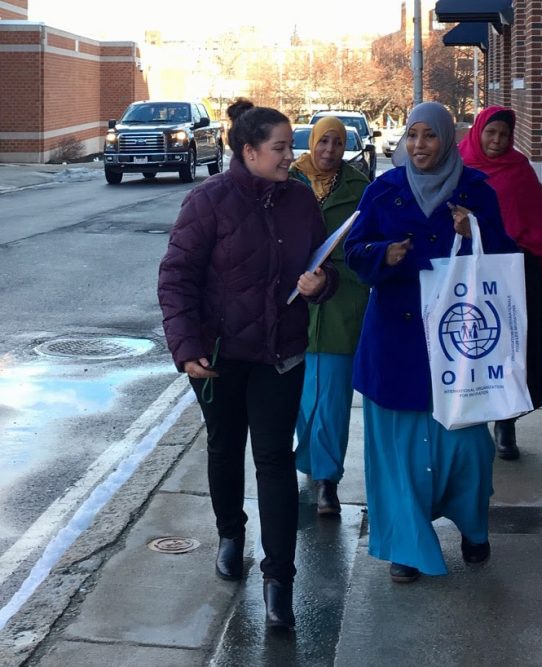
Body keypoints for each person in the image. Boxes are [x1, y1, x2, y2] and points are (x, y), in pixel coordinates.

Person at [158, 99, 338, 631]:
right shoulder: (207, 201)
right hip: (218, 357)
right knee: (224, 446)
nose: (291, 157)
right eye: (280, 148)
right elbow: (176, 277)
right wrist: (185, 345)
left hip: (280, 356)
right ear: (249, 151)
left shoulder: (301, 202)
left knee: (275, 461)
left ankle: (279, 578)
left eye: (290, 147)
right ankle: (230, 534)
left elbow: (326, 269)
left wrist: (320, 285)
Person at [344, 101, 518, 584]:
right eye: (412, 136)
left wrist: (475, 229)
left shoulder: (476, 191)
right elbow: (353, 253)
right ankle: (406, 543)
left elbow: (506, 260)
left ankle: (473, 526)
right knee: (399, 455)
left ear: (447, 139)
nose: (419, 146)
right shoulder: (384, 190)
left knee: (468, 452)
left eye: (430, 136)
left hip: (459, 343)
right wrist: (384, 253)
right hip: (395, 344)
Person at [458, 106, 542, 461]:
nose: (497, 141)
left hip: (513, 272)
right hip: (469, 272)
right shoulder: (458, 166)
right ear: (478, 132)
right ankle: (474, 422)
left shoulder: (519, 171)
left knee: (512, 349)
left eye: (503, 135)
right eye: (491, 133)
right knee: (474, 345)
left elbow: (541, 225)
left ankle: (507, 422)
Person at [288, 117, 370, 516]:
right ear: (312, 142)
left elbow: (367, 248)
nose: (329, 151)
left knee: (332, 399)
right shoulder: (288, 181)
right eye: (324, 142)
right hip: (294, 306)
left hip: (342, 304)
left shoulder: (359, 188)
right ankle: (310, 460)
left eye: (337, 144)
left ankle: (326, 480)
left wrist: (333, 276)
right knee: (304, 399)